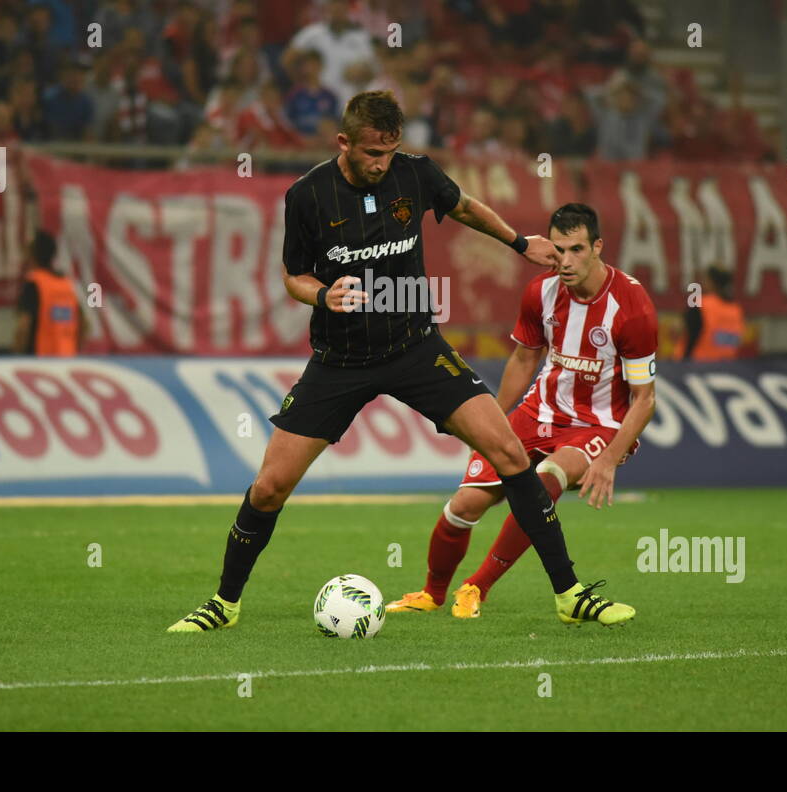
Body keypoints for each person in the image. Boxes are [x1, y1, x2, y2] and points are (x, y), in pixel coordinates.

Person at [169, 91, 634, 633]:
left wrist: (515, 241)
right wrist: (322, 295)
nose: (381, 164)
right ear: (344, 143)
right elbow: (292, 275)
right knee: (270, 486)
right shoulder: (308, 195)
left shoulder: (414, 174)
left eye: (389, 152)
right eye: (371, 153)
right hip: (340, 360)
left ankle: (569, 593)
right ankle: (224, 604)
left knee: (508, 451)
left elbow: (460, 206)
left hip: (416, 347)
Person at [387, 204, 657, 619]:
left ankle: (477, 585)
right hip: (539, 412)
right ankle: (431, 593)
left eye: (577, 250)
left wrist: (607, 458)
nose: (565, 261)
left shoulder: (632, 307)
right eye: (559, 249)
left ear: (598, 247)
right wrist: (488, 421)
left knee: (545, 479)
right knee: (465, 505)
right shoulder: (541, 291)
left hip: (596, 424)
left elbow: (645, 398)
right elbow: (524, 360)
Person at [14, 230, 84, 356]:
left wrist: (17, 356)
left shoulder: (34, 282)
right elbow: (83, 324)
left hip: (41, 360)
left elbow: (24, 326)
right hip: (67, 358)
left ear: (32, 255)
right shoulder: (67, 284)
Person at [680, 265, 748, 361]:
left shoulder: (700, 305)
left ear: (711, 282)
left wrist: (683, 363)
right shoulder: (736, 310)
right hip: (727, 368)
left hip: (697, 365)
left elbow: (691, 337)